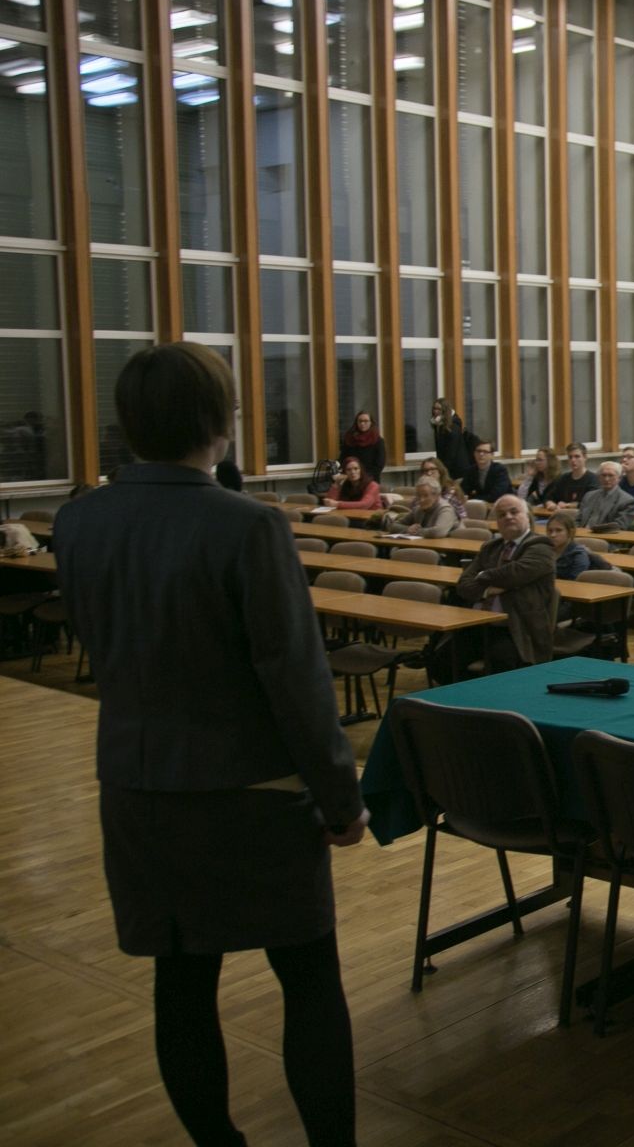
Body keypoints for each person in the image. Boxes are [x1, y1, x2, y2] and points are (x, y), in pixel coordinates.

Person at [55, 343, 366, 1147]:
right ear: (220, 421)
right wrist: (342, 800)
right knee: (309, 979)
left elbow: (101, 643)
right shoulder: (248, 526)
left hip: (138, 790)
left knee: (183, 984)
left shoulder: (79, 520)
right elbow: (297, 682)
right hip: (252, 798)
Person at [442, 494, 555, 679]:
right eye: (502, 515)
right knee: (442, 660)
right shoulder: (490, 547)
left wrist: (482, 576)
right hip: (477, 624)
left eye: (514, 512)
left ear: (527, 516)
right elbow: (463, 585)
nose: (508, 517)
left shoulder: (541, 546)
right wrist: (487, 589)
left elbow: (515, 573)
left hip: (515, 627)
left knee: (501, 665)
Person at [385, 476, 458, 538]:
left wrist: (417, 531)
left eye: (426, 496)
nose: (421, 500)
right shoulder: (418, 509)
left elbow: (438, 532)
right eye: (418, 495)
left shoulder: (445, 509)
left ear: (437, 496)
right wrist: (407, 529)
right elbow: (393, 526)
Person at [546, 512, 611, 581]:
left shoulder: (579, 555)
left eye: (558, 530)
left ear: (570, 532)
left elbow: (575, 583)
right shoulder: (545, 551)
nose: (553, 535)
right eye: (550, 531)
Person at [576, 461, 634, 531]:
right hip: (581, 533)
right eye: (603, 475)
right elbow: (578, 520)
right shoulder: (589, 496)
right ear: (599, 477)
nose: (606, 479)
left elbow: (619, 527)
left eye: (610, 475)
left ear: (619, 478)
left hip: (605, 535)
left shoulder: (627, 501)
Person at [429, 397, 473, 481]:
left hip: (457, 469)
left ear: (445, 411)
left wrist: (443, 469)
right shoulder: (438, 425)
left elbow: (451, 451)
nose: (435, 411)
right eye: (434, 408)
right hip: (449, 468)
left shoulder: (453, 426)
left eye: (439, 409)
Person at [338, 408, 386, 484]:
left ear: (371, 423)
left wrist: (364, 477)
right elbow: (343, 458)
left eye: (366, 421)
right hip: (351, 479)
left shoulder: (377, 440)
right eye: (360, 421)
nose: (362, 424)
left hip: (370, 480)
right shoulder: (349, 438)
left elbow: (379, 464)